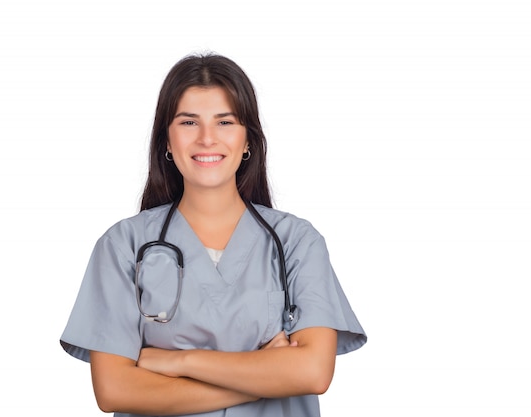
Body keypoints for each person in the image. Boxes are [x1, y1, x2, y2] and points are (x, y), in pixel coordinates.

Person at [60, 53, 367, 416]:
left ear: (248, 140)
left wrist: (180, 362)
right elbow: (114, 390)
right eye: (189, 122)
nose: (207, 138)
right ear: (167, 143)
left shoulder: (296, 242)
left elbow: (313, 372)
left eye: (225, 122)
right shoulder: (123, 246)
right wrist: (261, 382)